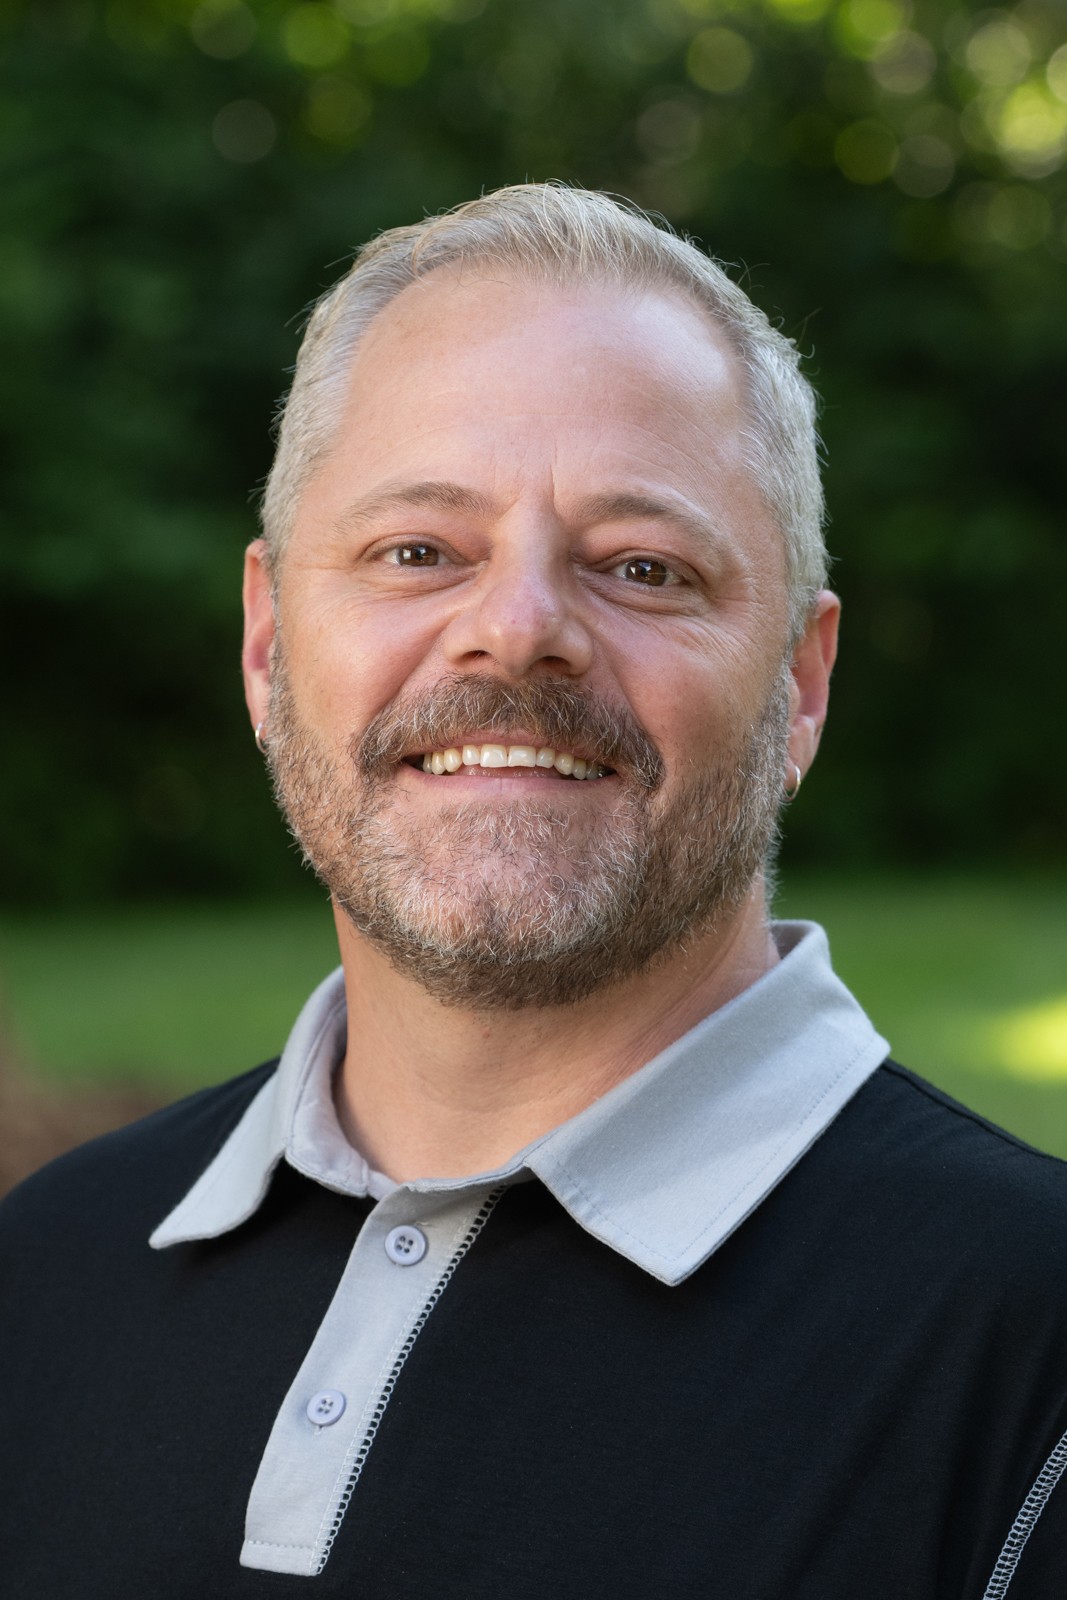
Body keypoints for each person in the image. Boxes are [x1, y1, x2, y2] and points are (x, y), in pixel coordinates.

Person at [2, 184, 1066, 1600]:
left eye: (642, 565)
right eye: (418, 552)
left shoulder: (1032, 1358)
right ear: (267, 646)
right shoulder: (42, 1274)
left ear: (802, 687)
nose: (517, 630)